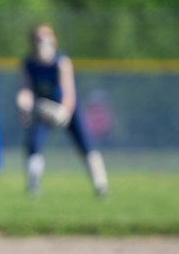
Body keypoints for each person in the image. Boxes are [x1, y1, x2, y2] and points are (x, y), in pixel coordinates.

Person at [16, 23, 109, 197]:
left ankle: (101, 186)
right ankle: (33, 187)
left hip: (67, 108)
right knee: (33, 145)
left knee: (86, 145)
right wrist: (23, 105)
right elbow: (26, 90)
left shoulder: (61, 61)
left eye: (45, 38)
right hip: (43, 109)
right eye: (38, 38)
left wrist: (64, 111)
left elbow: (68, 92)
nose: (42, 42)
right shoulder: (28, 63)